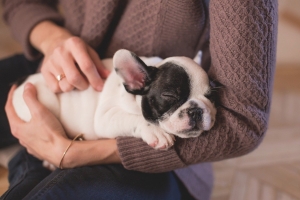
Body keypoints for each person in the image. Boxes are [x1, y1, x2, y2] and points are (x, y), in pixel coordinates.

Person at [0, 0, 278, 199]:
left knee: (53, 192)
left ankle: (27, 163)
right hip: (57, 75)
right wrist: (53, 40)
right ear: (134, 80)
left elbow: (243, 121)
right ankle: (29, 161)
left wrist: (72, 154)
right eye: (173, 99)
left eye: (207, 97)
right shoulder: (141, 79)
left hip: (156, 161)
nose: (195, 110)